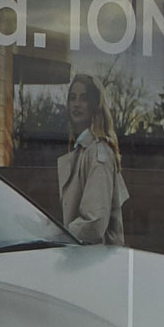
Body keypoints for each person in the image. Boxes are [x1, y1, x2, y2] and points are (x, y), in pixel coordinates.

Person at [58, 72, 129, 246]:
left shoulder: (98, 153)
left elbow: (94, 223)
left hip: (96, 261)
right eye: (72, 98)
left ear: (94, 105)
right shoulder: (84, 149)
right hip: (86, 257)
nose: (76, 104)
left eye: (84, 98)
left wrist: (58, 235)